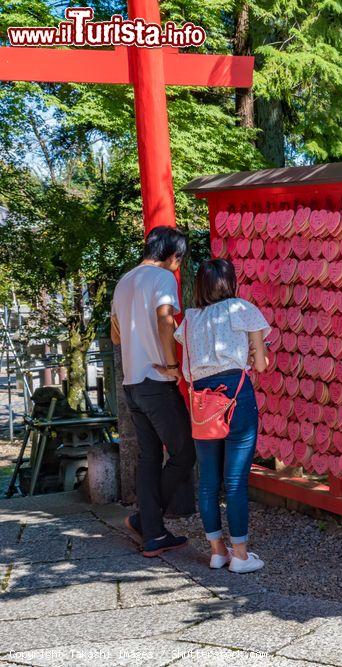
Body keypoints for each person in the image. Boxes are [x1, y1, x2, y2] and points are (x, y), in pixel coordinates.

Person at [169, 258, 270, 573]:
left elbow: (187, 363)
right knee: (236, 479)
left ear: (200, 286)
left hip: (202, 401)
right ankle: (240, 555)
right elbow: (262, 364)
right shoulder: (242, 309)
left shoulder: (190, 319)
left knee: (208, 481)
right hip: (236, 395)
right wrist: (253, 354)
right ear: (230, 283)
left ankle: (217, 551)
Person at [111, 225, 195, 557]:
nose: (179, 265)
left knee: (149, 457)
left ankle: (151, 529)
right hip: (157, 382)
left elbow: (115, 334)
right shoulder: (161, 280)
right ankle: (148, 522)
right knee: (184, 453)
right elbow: (165, 319)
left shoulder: (124, 281)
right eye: (180, 259)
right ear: (174, 255)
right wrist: (172, 364)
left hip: (132, 380)